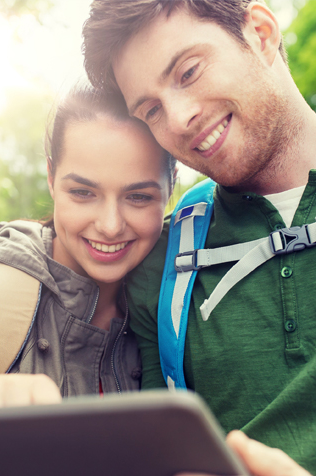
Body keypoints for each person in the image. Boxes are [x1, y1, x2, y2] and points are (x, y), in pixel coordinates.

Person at [82, 0, 316, 474]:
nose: (179, 118)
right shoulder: (161, 263)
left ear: (262, 32)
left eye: (188, 72)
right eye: (150, 109)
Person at [0, 84, 175, 409]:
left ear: (171, 184)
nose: (110, 225)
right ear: (50, 176)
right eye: (83, 192)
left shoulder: (179, 312)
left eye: (139, 196)